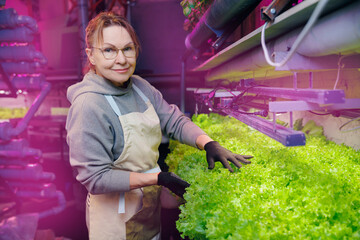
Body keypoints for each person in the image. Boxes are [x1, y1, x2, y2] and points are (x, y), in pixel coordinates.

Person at [66, 11, 252, 240]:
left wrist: (208, 143)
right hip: (114, 221)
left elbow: (172, 120)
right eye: (109, 50)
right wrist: (158, 179)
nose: (122, 59)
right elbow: (96, 178)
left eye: (127, 48)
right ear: (91, 56)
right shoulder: (89, 105)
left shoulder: (140, 87)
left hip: (147, 209)